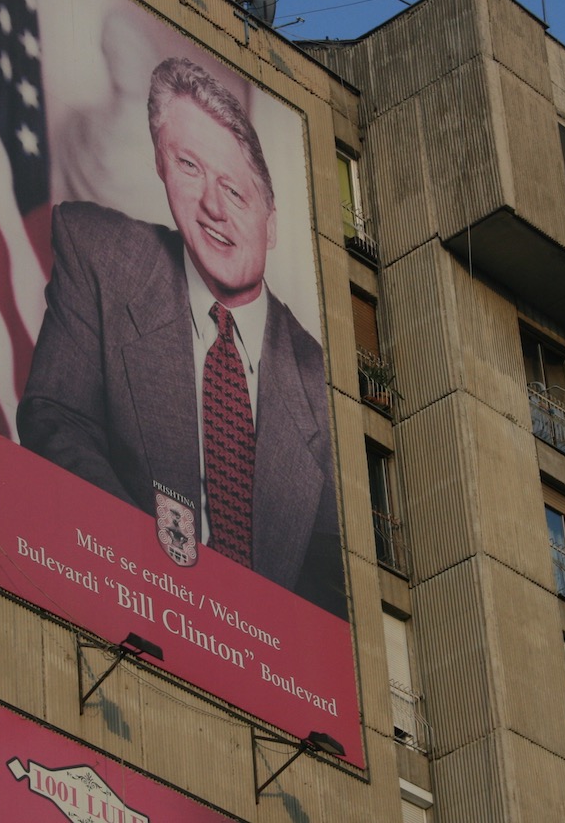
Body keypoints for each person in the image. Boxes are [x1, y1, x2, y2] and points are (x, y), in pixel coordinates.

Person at [17, 57, 344, 618]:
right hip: (128, 612)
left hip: (266, 673)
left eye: (235, 191)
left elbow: (337, 586)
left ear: (271, 222)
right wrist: (155, 572)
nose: (213, 207)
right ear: (160, 169)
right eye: (189, 166)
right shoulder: (101, 255)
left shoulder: (320, 384)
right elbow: (54, 418)